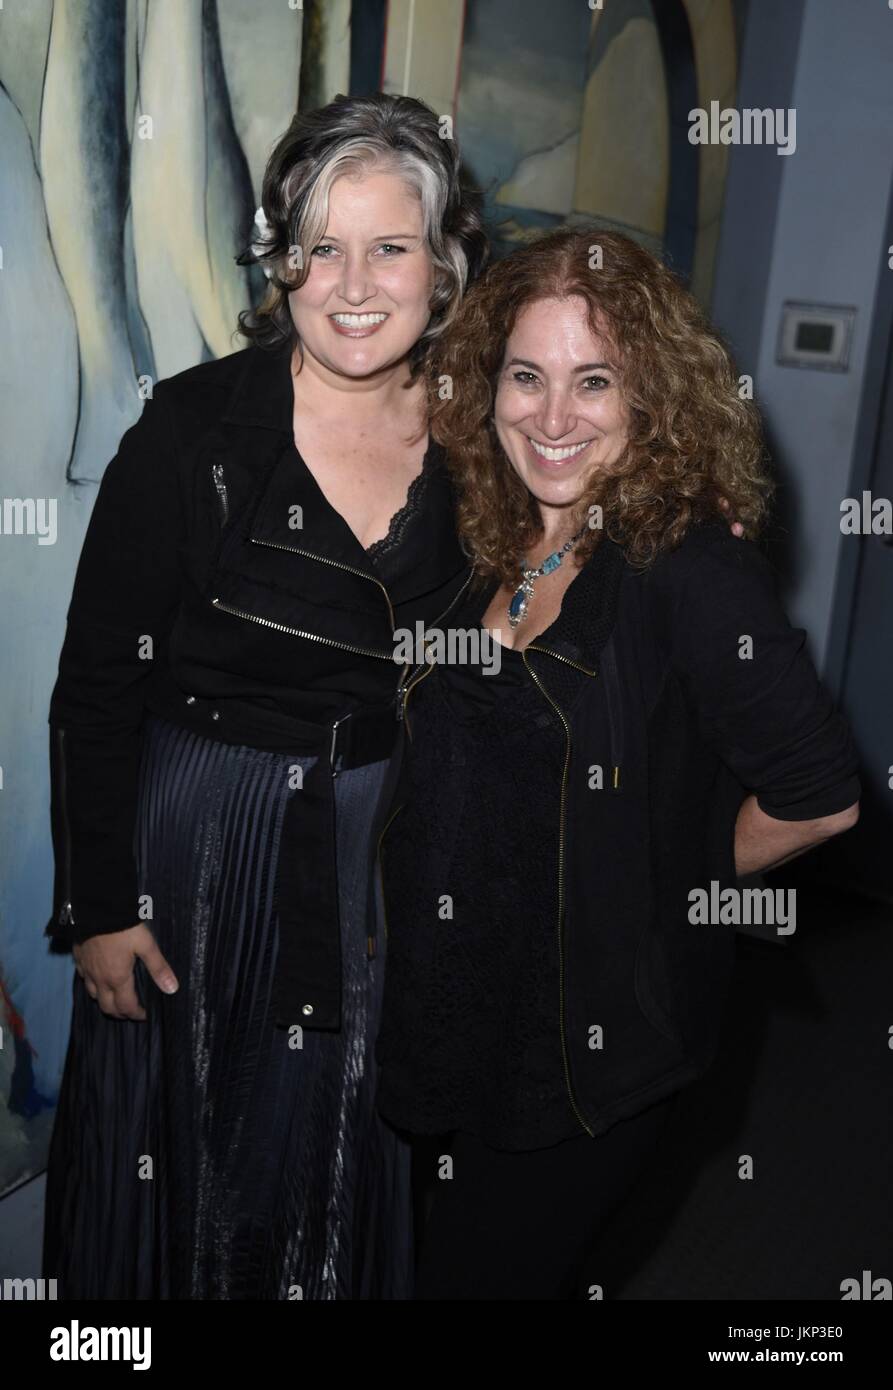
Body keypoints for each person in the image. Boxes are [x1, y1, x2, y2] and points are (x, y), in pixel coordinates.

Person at [42, 92, 487, 1300]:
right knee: (178, 1155)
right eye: (319, 246)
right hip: (198, 846)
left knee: (344, 1147)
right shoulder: (191, 430)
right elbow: (95, 690)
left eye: (389, 246)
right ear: (278, 260)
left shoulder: (484, 436)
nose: (351, 281)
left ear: (441, 266)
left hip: (381, 847)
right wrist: (96, 908)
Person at [373, 227, 862, 1300]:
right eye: (526, 376)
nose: (551, 418)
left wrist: (668, 875)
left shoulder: (689, 566)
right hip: (448, 1013)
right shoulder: (493, 532)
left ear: (650, 395)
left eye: (592, 381)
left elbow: (819, 796)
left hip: (580, 1053)